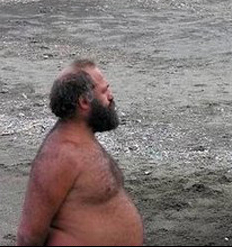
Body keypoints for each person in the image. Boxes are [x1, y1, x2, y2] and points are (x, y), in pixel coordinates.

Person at [16, 59, 144, 247]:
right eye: (104, 91)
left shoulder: (82, 140)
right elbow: (28, 235)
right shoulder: (60, 155)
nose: (111, 96)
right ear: (84, 102)